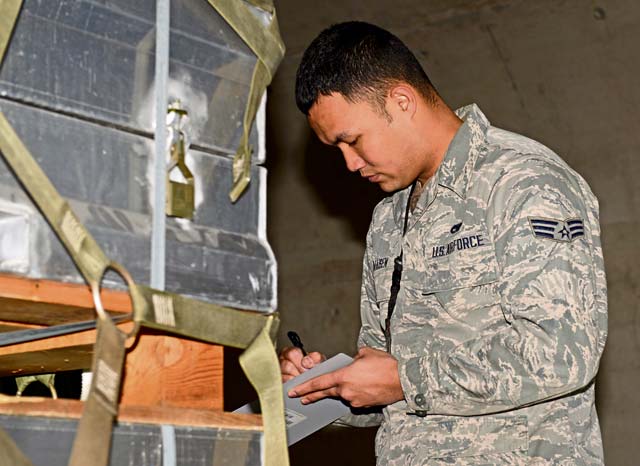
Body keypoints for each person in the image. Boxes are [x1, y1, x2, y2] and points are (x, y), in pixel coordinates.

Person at [279, 21, 607, 465]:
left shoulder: (522, 182)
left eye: (352, 141)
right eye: (335, 150)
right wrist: (323, 386)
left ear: (400, 101)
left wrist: (404, 379)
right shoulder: (389, 218)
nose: (350, 164)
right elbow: (391, 385)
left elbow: (562, 352)